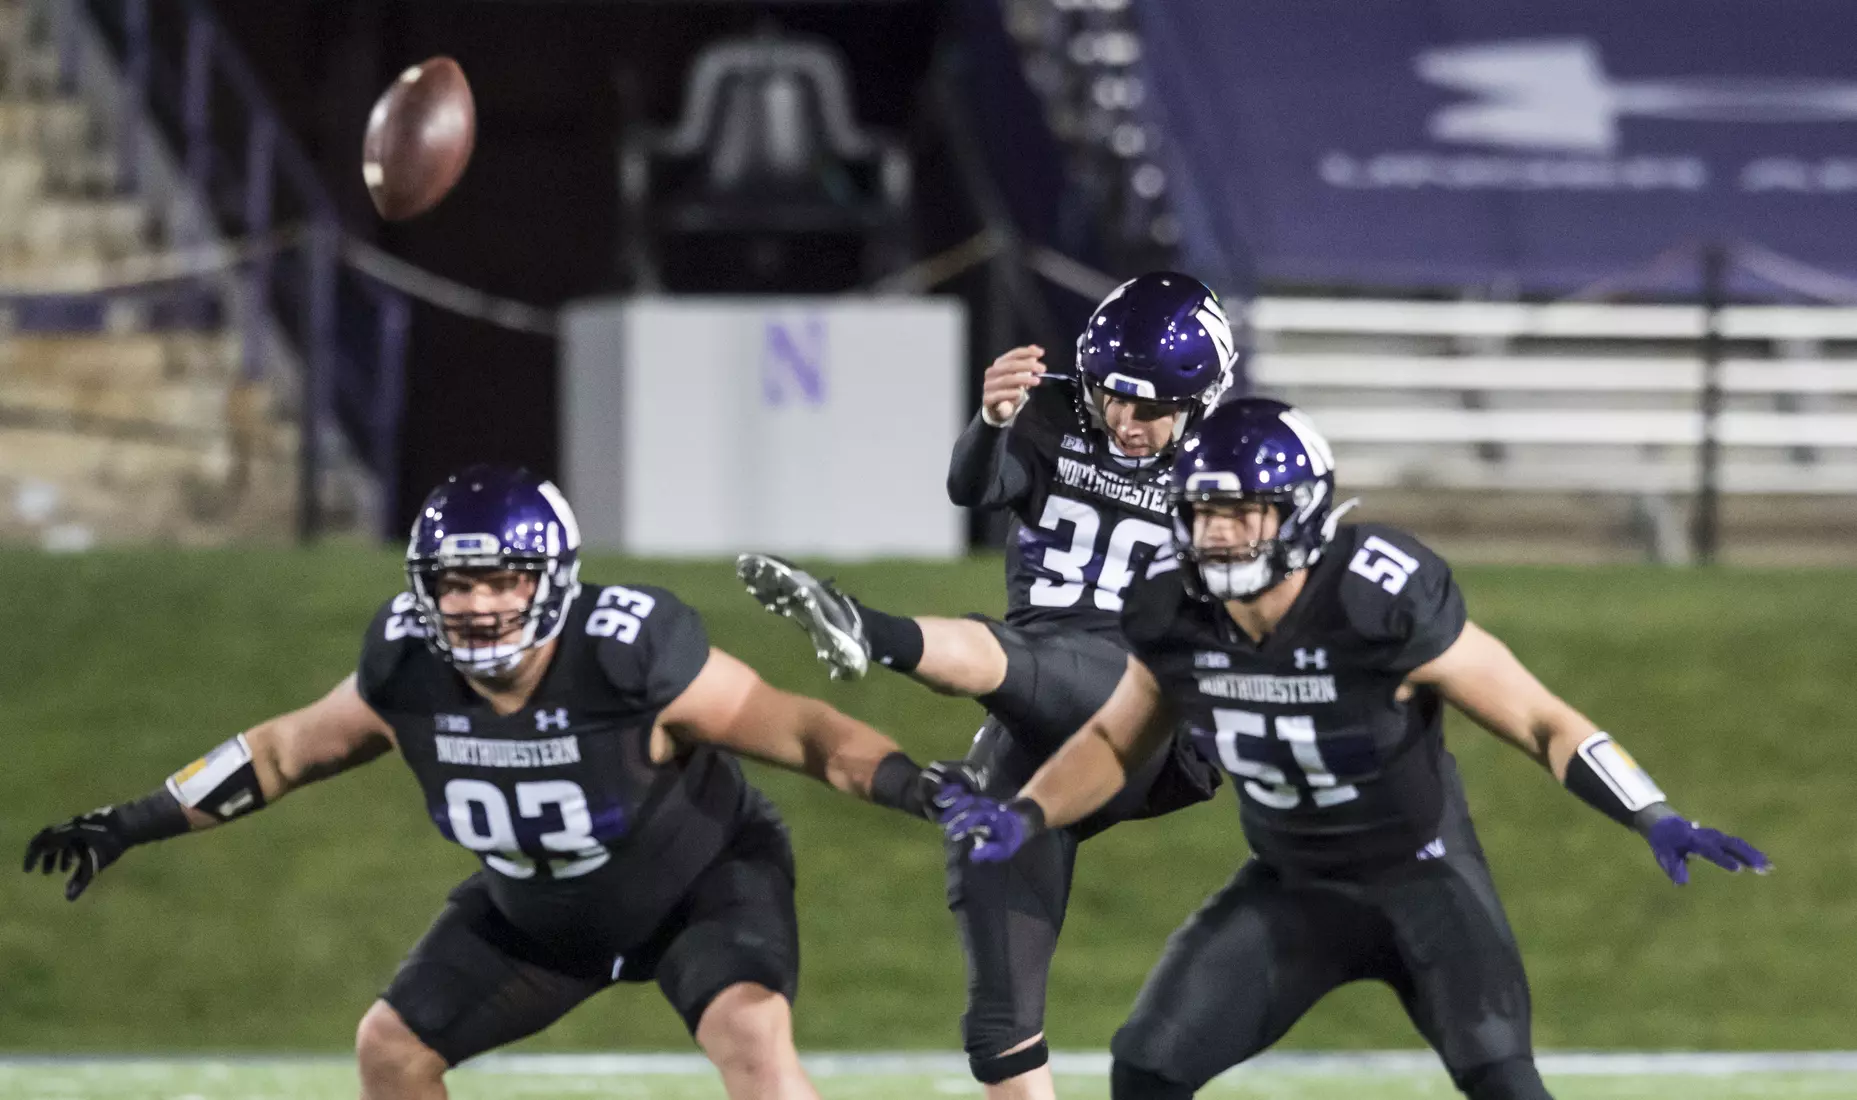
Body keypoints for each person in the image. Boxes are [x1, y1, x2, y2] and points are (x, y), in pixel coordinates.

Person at [935, 397, 1772, 1100]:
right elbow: (1117, 741)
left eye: (1237, 512)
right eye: (1199, 512)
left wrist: (1650, 812)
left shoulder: (1379, 595)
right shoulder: (1171, 608)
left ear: (1296, 511)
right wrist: (1027, 814)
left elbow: (1540, 720)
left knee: (1503, 1082)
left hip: (1422, 880)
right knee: (1146, 1066)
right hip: (1291, 889)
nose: (1216, 535)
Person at [24, 465, 946, 1100]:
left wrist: (918, 788)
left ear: (550, 577)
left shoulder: (628, 654)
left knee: (750, 1037)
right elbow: (279, 754)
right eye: (454, 582)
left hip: (696, 887)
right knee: (389, 1049)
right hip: (536, 914)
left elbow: (803, 731)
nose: (474, 604)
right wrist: (130, 822)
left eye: (500, 578)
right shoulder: (405, 670)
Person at [737, 272, 1238, 1098]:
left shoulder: (1233, 470)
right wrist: (992, 422)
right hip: (1037, 712)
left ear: (1203, 400)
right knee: (999, 1027)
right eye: (1114, 396)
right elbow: (975, 490)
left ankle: (865, 628)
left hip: (1153, 721)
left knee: (1013, 658)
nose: (1125, 420)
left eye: (1150, 409)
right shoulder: (1052, 413)